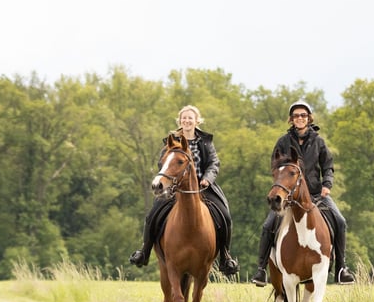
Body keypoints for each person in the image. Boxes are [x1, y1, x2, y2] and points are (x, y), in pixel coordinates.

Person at [251, 100, 355, 286]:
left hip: (315, 194)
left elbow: (328, 166)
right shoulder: (283, 142)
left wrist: (327, 184)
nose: (299, 118)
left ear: (309, 118)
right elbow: (275, 167)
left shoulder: (318, 142)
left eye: (303, 115)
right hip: (289, 197)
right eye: (296, 115)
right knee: (268, 225)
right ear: (291, 119)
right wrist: (281, 187)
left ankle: (341, 268)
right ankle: (261, 270)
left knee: (340, 221)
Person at [129, 105, 239, 277]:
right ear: (180, 121)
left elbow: (214, 163)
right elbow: (163, 163)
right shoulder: (171, 141)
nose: (187, 121)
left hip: (203, 186)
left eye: (190, 118)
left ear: (197, 121)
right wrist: (169, 180)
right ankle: (144, 250)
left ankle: (225, 256)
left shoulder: (206, 141)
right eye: (184, 118)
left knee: (224, 215)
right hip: (175, 187)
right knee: (153, 215)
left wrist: (207, 179)